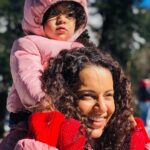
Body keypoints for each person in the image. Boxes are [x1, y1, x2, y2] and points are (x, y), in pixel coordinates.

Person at [14, 47, 150, 150]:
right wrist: (46, 135)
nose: (102, 107)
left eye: (109, 95)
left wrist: (135, 140)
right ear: (61, 96)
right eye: (88, 96)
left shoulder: (117, 139)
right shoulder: (29, 139)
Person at [0, 0, 92, 149]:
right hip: (33, 112)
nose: (62, 19)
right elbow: (26, 74)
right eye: (54, 13)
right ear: (38, 18)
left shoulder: (80, 49)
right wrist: (41, 99)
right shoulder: (29, 43)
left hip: (70, 114)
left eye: (69, 15)